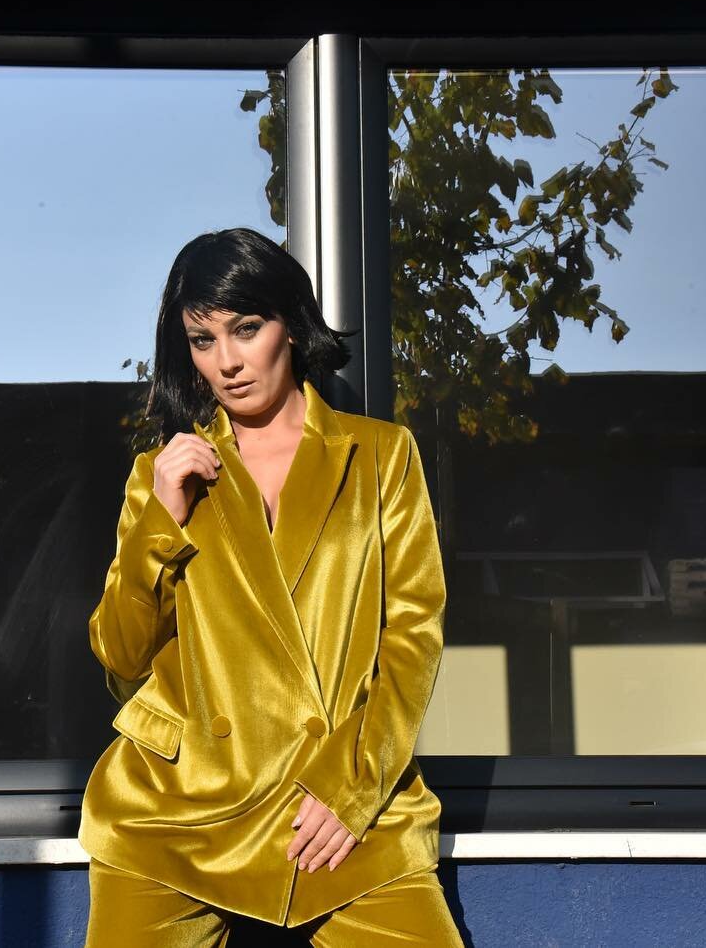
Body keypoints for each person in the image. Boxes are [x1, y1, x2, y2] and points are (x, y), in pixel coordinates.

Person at [79, 227, 464, 946]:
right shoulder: (162, 476)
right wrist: (162, 519)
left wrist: (352, 786)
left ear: (290, 323)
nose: (226, 361)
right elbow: (121, 655)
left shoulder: (381, 456)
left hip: (342, 805)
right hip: (176, 813)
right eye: (202, 340)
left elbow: (411, 640)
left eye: (246, 328)